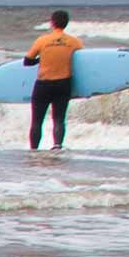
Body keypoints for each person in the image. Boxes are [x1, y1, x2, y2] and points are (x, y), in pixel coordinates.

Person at [23, 9, 82, 151]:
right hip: (64, 83)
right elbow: (81, 61)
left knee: (37, 121)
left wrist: (40, 60)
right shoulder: (74, 42)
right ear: (66, 24)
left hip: (44, 84)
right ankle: (57, 146)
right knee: (59, 119)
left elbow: (27, 61)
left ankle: (34, 150)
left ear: (52, 23)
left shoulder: (42, 40)